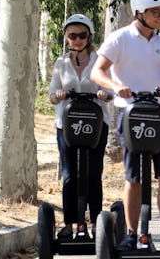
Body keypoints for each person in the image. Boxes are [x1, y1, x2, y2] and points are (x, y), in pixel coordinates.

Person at [90, 0, 160, 251]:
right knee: (133, 178)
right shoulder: (120, 39)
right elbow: (97, 72)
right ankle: (132, 234)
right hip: (131, 114)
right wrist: (115, 86)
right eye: (156, 12)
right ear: (140, 12)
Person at [47, 14, 113, 239]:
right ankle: (69, 224)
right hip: (66, 125)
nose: (77, 40)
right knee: (69, 176)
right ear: (67, 37)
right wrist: (58, 95)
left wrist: (105, 93)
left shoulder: (99, 61)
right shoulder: (61, 63)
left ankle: (96, 223)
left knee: (94, 173)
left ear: (89, 36)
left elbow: (110, 89)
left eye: (82, 35)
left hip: (96, 124)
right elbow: (51, 95)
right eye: (72, 36)